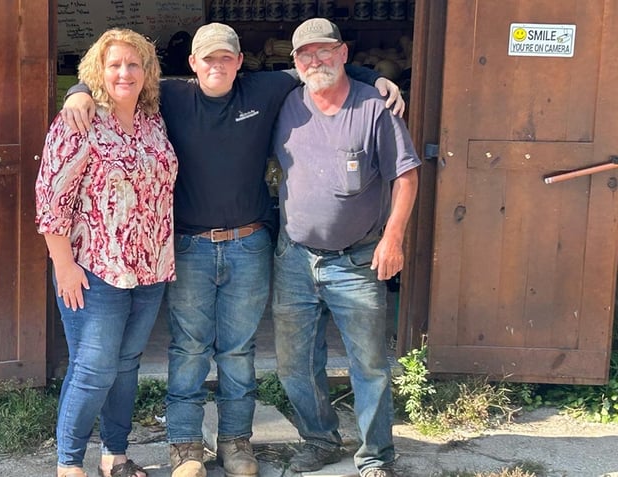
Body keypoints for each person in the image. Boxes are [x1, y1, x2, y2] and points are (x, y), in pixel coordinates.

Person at [61, 23, 405, 477]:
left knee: (239, 351)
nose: (217, 66)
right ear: (192, 64)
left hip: (249, 245)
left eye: (226, 58)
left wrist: (373, 77)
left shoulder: (265, 88)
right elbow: (122, 73)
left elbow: (318, 66)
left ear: (240, 62)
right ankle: (184, 447)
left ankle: (236, 443)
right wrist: (79, 90)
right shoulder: (172, 95)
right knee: (188, 349)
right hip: (189, 247)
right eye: (208, 59)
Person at [270, 18, 421, 477]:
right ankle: (319, 439)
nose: (315, 60)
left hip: (357, 259)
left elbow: (407, 176)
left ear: (343, 52)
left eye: (324, 51)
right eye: (305, 54)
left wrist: (393, 238)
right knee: (295, 364)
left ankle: (376, 456)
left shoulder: (374, 107)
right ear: (295, 63)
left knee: (369, 365)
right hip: (294, 256)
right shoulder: (285, 105)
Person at [35, 28, 178, 477]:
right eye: (114, 64)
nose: (124, 72)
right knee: (94, 368)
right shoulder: (79, 120)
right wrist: (63, 266)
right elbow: (51, 198)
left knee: (126, 365)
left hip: (150, 268)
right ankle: (68, 464)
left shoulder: (154, 120)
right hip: (94, 270)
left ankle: (115, 455)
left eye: (133, 64)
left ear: (147, 72)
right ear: (97, 70)